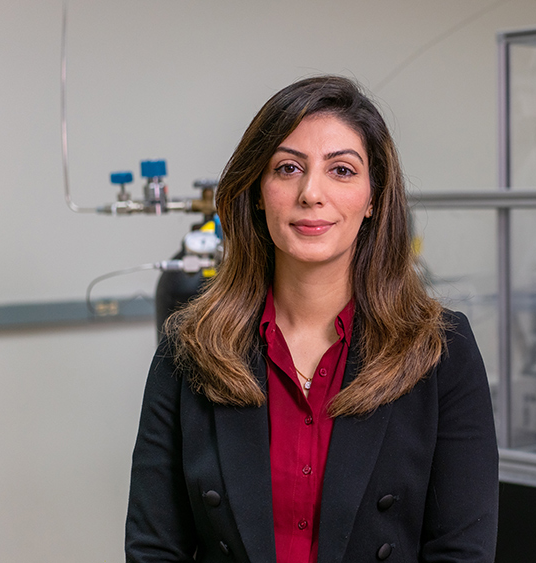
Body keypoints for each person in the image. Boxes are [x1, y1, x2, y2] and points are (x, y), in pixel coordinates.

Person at [125, 75, 499, 563]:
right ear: (258, 192)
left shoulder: (440, 350)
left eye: (341, 170)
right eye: (287, 168)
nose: (311, 193)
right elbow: (155, 549)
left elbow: (461, 552)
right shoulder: (189, 349)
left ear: (372, 198)